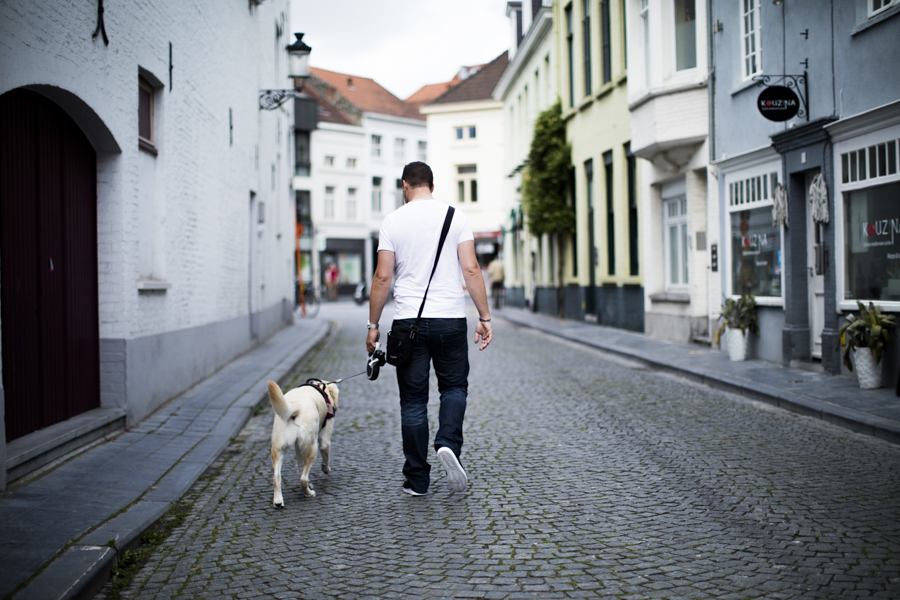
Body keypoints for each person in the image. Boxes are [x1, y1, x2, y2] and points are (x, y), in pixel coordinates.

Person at [366, 161, 493, 496]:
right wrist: (484, 317)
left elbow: (382, 277)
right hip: (450, 319)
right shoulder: (456, 216)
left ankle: (418, 480)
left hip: (408, 323)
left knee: (412, 402)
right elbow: (470, 268)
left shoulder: (392, 221)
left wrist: (373, 325)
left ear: (405, 185)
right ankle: (448, 441)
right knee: (454, 389)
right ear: (432, 186)